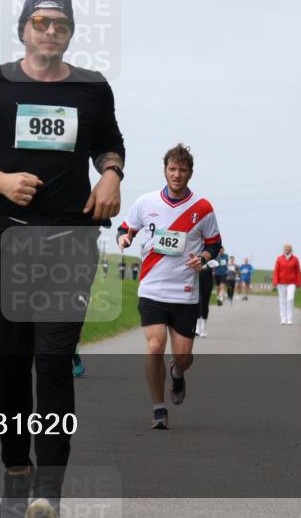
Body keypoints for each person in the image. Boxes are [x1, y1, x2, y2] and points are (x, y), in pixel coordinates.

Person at [0, 0, 125, 518]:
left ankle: (50, 490)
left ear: (71, 33)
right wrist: (1, 181)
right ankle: (15, 473)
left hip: (70, 241)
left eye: (61, 24)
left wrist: (111, 175)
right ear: (23, 28)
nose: (51, 31)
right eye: (41, 22)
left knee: (53, 361)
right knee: (11, 362)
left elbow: (109, 144)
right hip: (8, 240)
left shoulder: (92, 87)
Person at [117, 144, 221, 429]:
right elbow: (125, 228)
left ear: (190, 173)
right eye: (172, 169)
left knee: (184, 357)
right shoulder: (146, 202)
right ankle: (158, 407)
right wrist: (124, 238)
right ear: (164, 170)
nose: (176, 174)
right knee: (154, 346)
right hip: (152, 288)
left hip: (184, 292)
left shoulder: (203, 208)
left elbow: (214, 244)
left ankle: (177, 372)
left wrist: (203, 257)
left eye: (182, 170)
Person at [273, 243, 301, 325]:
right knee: (282, 301)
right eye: (285, 249)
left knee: (290, 299)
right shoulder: (279, 259)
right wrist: (275, 281)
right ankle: (283, 319)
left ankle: (289, 319)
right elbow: (276, 271)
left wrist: (298, 282)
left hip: (291, 283)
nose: (286, 250)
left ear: (291, 250)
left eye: (288, 249)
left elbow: (298, 272)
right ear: (283, 250)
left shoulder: (295, 259)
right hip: (281, 283)